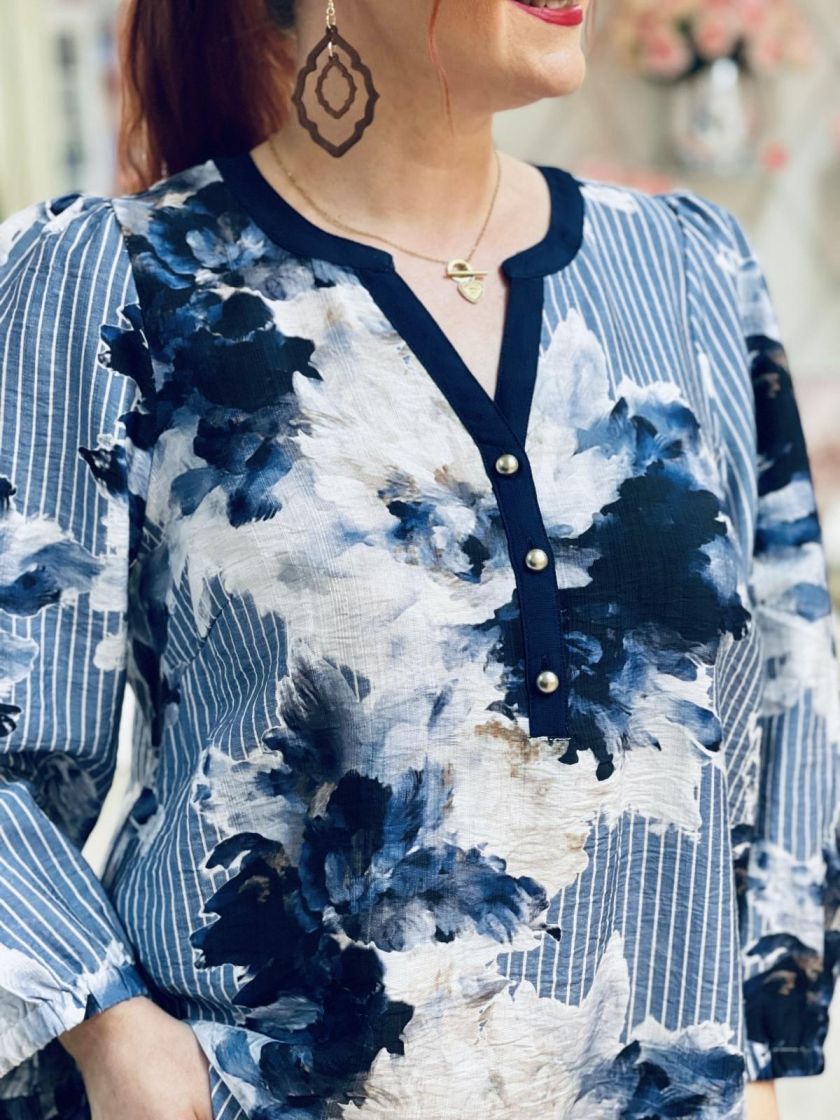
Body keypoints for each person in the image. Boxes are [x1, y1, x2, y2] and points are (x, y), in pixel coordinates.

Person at [0, 1, 837, 1117]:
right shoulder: (118, 279)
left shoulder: (689, 269)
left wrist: (764, 1061)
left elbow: (787, 683)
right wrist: (113, 1035)